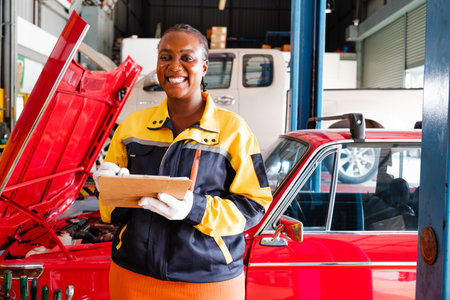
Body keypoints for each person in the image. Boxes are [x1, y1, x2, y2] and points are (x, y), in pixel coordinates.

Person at [93, 24, 272, 300]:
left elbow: (255, 205)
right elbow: (111, 213)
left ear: (204, 66)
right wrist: (105, 188)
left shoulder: (234, 131)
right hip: (133, 275)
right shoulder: (132, 127)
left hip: (208, 281)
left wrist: (195, 208)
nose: (174, 66)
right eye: (166, 57)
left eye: (186, 57)